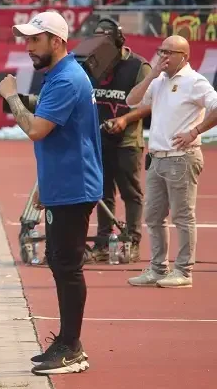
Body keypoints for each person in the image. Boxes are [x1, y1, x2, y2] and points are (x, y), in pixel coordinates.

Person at [0, 11, 102, 376]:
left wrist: (12, 98)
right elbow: (65, 135)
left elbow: (37, 130)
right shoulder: (60, 75)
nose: (28, 47)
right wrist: (47, 183)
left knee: (67, 268)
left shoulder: (66, 79)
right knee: (61, 265)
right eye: (27, 40)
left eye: (34, 40)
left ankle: (72, 348)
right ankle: (66, 342)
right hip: (65, 184)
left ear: (56, 41)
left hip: (74, 187)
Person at [127, 35, 217, 289]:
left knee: (182, 216)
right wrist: (150, 75)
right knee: (153, 216)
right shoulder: (159, 80)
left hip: (181, 158)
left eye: (169, 52)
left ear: (184, 56)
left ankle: (184, 270)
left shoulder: (194, 81)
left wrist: (195, 131)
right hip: (157, 158)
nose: (162, 56)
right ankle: (158, 268)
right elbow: (131, 101)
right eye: (160, 50)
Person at [89, 18, 151, 263]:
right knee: (102, 193)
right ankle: (103, 243)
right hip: (99, 138)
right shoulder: (93, 64)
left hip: (127, 141)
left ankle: (132, 241)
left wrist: (125, 120)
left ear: (118, 42)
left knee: (130, 192)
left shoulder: (139, 66)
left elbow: (149, 103)